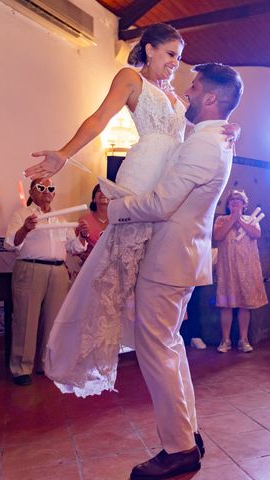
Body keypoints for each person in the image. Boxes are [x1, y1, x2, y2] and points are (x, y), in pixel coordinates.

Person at [24, 24, 238, 397]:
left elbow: (205, 124)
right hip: (142, 173)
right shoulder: (129, 78)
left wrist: (231, 130)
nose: (176, 63)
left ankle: (147, 334)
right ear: (150, 49)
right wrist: (64, 153)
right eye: (170, 54)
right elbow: (97, 120)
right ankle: (81, 349)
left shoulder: (177, 97)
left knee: (147, 272)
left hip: (168, 179)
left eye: (178, 56)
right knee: (113, 272)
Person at [108, 63, 243, 479]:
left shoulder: (207, 145)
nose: (187, 92)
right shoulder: (212, 138)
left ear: (210, 99)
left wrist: (116, 208)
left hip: (170, 259)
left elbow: (162, 204)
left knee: (157, 353)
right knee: (171, 348)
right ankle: (188, 434)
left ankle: (179, 449)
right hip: (182, 256)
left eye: (195, 86)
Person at [4, 178, 88, 386]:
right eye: (41, 188)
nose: (46, 191)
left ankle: (46, 364)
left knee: (53, 321)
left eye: (51, 188)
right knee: (26, 319)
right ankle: (21, 368)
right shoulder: (22, 214)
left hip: (58, 271)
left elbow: (75, 248)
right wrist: (25, 229)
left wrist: (83, 236)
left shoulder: (60, 219)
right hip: (31, 267)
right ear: (32, 191)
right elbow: (10, 244)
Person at [212, 190, 268, 353]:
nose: (235, 202)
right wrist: (232, 220)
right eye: (232, 200)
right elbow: (218, 236)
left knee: (245, 304)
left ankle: (243, 339)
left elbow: (256, 233)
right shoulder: (221, 220)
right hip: (227, 268)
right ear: (228, 205)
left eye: (238, 200)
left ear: (244, 204)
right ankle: (225, 340)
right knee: (226, 305)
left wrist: (240, 221)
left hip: (246, 268)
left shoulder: (251, 220)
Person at [77, 184, 108, 264]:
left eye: (106, 190)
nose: (103, 193)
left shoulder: (117, 221)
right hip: (90, 266)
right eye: (99, 191)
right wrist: (83, 255)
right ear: (94, 199)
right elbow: (77, 247)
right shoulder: (84, 220)